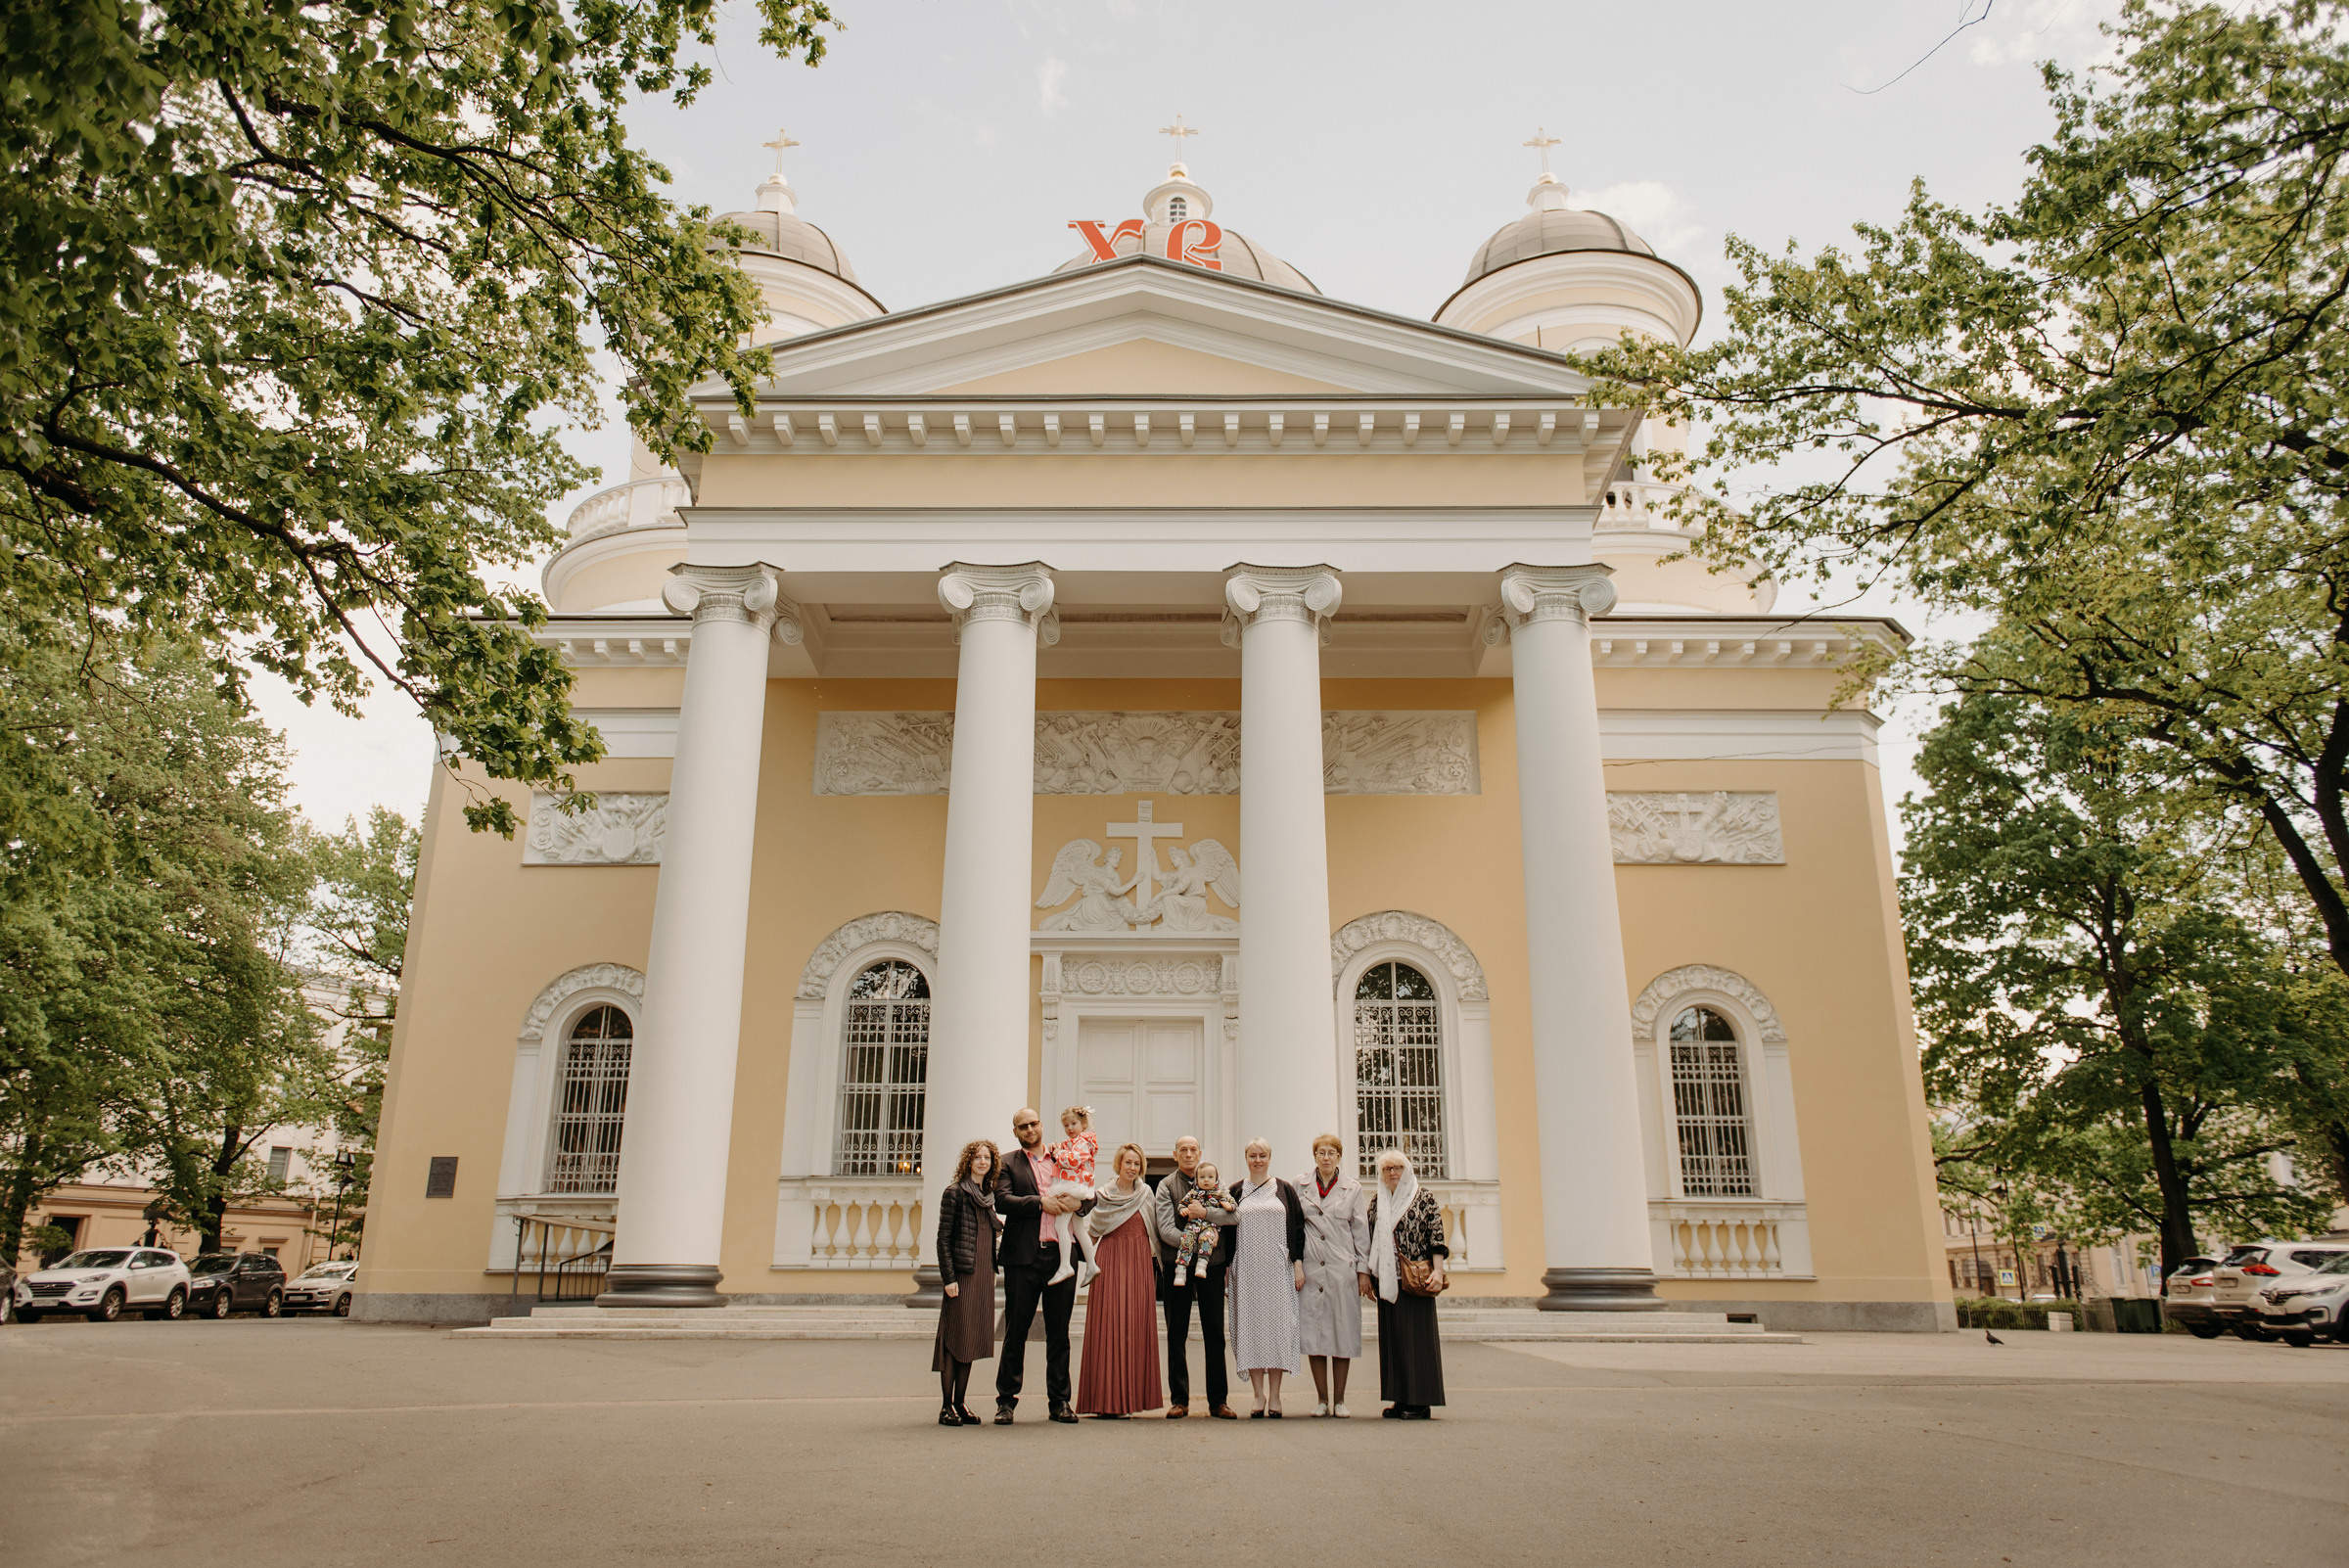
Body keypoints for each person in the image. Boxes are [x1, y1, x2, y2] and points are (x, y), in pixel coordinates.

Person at [995, 1107, 1084, 1424]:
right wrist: (1039, 1203)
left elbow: (1086, 1189)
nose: (1030, 1129)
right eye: (1023, 1126)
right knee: (1015, 1331)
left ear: (1042, 1125)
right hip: (1024, 1258)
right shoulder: (1007, 1162)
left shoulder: (1064, 1155)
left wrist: (1082, 1203)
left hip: (1062, 1255)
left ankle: (1060, 1402)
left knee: (1058, 1334)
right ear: (1016, 1132)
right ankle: (1006, 1402)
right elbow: (1002, 1200)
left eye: (1033, 1124)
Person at [1073, 1142, 1166, 1418]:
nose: (1132, 1168)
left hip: (1138, 1262)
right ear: (1119, 1164)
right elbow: (1092, 1231)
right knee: (1109, 1325)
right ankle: (1105, 1400)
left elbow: (1155, 1230)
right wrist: (1080, 1263)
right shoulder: (1103, 1194)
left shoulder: (1146, 1193)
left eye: (1137, 1164)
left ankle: (1131, 1400)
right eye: (1128, 1162)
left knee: (1135, 1325)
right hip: (1110, 1260)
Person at [1154, 1134, 1238, 1419]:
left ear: (1200, 1153)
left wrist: (1206, 1213)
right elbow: (1165, 1229)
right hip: (1177, 1264)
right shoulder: (1166, 1186)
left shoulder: (1216, 1180)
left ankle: (1218, 1401)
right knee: (1176, 1333)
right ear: (1175, 1155)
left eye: (1193, 1150)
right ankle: (1179, 1400)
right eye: (1183, 1150)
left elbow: (1233, 1216)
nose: (1189, 1154)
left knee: (1214, 1332)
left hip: (1211, 1266)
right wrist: (1195, 1242)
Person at [1364, 1148, 1448, 1419]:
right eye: (1387, 1169)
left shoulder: (1423, 1198)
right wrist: (1368, 1274)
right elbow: (1369, 1237)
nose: (1393, 1173)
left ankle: (1420, 1402)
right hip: (1389, 1281)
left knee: (1418, 1341)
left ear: (1407, 1169)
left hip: (1416, 1279)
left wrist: (1438, 1271)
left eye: (1397, 1167)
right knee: (1395, 1341)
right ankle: (1401, 1399)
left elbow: (1436, 1235)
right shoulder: (1378, 1201)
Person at [1225, 1137, 1306, 1417]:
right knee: (1251, 1329)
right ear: (1246, 1158)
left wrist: (1297, 1265)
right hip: (1246, 1270)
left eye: (1262, 1155)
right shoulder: (1235, 1190)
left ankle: (1276, 1396)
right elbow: (1225, 1232)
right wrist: (1226, 1268)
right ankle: (1258, 1395)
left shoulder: (1284, 1189)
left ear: (1269, 1158)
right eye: (1252, 1155)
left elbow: (1297, 1228)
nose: (1257, 1160)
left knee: (1278, 1327)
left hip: (1277, 1269)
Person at [1295, 1133, 1370, 1418]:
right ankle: (1322, 1400)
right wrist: (1297, 1264)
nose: (1326, 1157)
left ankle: (1340, 1400)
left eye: (1331, 1153)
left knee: (1342, 1332)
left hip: (1341, 1269)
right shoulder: (1299, 1185)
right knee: (1314, 1333)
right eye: (1321, 1152)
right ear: (1314, 1156)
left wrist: (1363, 1271)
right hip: (1312, 1269)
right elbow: (1294, 1226)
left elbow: (1361, 1232)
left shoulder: (1353, 1188)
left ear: (1339, 1157)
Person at [932, 1138, 1002, 1427]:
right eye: (977, 1157)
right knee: (954, 1342)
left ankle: (960, 1401)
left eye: (987, 1157)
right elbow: (943, 1240)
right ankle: (946, 1406)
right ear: (968, 1162)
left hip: (983, 1276)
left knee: (970, 1340)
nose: (982, 1162)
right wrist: (949, 1278)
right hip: (961, 1276)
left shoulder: (988, 1196)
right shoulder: (955, 1193)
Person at [1042, 1105, 1099, 1287]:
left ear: (1083, 1123)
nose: (1070, 1128)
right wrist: (1057, 1147)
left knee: (1061, 1225)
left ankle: (1065, 1265)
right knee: (1078, 1228)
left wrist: (1058, 1153)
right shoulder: (1077, 1141)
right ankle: (1091, 1265)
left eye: (1073, 1123)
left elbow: (1071, 1160)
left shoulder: (1083, 1142)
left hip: (1073, 1185)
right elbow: (1065, 1149)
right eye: (1066, 1125)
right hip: (1075, 1185)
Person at [1169, 1161, 1232, 1286]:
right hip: (1193, 1225)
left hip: (1209, 1227)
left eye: (1210, 1177)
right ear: (1196, 1180)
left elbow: (1233, 1207)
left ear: (1216, 1179)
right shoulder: (1193, 1194)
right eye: (1202, 1177)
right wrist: (1183, 1210)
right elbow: (1182, 1204)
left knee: (1207, 1238)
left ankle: (1202, 1264)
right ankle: (1181, 1270)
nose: (1206, 1180)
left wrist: (1228, 1206)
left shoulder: (1219, 1194)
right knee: (1186, 1240)